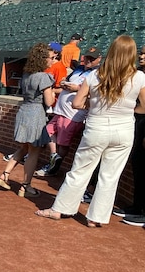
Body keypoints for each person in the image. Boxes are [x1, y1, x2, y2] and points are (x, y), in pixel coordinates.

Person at [36, 35, 145, 226]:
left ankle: (60, 209)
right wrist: (128, 110)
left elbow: (77, 103)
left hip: (97, 127)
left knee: (79, 170)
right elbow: (144, 107)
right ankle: (96, 218)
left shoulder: (95, 75)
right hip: (124, 130)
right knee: (110, 176)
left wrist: (92, 106)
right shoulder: (140, 77)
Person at [0, 43, 54, 198]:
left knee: (23, 148)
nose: (53, 60)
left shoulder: (27, 75)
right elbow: (49, 101)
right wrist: (53, 91)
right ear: (42, 59)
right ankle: (25, 186)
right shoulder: (43, 77)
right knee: (34, 151)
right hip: (35, 114)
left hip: (24, 111)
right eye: (51, 58)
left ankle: (4, 175)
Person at [35, 48, 99, 178]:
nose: (88, 61)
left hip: (74, 114)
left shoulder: (98, 73)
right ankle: (54, 157)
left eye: (92, 59)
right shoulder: (79, 69)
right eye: (87, 57)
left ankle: (54, 166)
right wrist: (64, 83)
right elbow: (66, 79)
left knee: (63, 143)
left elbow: (96, 91)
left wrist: (77, 88)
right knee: (47, 131)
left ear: (99, 59)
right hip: (60, 111)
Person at [115, 45, 145, 226]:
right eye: (141, 53)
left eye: (144, 54)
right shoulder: (139, 74)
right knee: (138, 166)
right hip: (139, 124)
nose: (141, 56)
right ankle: (137, 206)